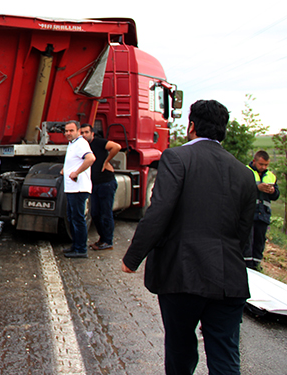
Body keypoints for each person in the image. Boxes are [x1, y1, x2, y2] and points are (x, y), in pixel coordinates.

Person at [121, 100, 256, 375]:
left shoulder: (176, 158)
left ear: (192, 126)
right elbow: (243, 230)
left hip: (182, 276)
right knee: (225, 356)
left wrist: (133, 257)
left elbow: (159, 212)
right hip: (229, 279)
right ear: (224, 131)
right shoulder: (244, 173)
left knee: (181, 350)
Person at [80, 123, 120, 250]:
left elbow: (116, 146)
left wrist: (106, 161)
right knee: (95, 213)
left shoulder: (98, 143)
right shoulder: (81, 146)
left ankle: (108, 241)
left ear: (92, 134)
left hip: (106, 183)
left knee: (105, 212)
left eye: (87, 132)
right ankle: (102, 239)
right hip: (94, 184)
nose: (84, 135)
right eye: (82, 132)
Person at [61, 120, 95, 258]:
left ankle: (81, 249)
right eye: (66, 131)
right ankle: (75, 246)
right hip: (71, 188)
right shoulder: (73, 144)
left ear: (78, 131)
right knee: (72, 218)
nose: (68, 133)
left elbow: (90, 158)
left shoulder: (81, 143)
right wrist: (66, 169)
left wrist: (76, 172)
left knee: (78, 219)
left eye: (71, 131)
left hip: (79, 189)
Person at [244, 150, 280, 270]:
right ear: (254, 161)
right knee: (247, 241)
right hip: (248, 214)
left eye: (266, 165)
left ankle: (256, 266)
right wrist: (257, 188)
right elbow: (240, 189)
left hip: (263, 215)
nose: (264, 167)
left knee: (259, 242)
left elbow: (276, 195)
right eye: (261, 164)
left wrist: (273, 191)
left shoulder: (271, 176)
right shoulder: (245, 172)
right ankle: (246, 266)